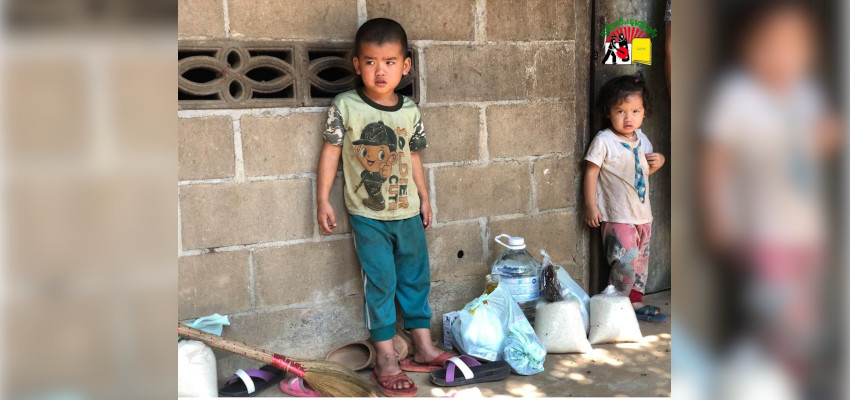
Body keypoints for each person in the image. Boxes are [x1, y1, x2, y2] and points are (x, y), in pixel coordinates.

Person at [315, 18, 450, 397]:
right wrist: (322, 198)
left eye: (390, 62)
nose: (380, 71)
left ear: (405, 66)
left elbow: (414, 156)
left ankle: (423, 347)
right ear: (357, 64)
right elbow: (330, 152)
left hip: (408, 213)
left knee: (416, 279)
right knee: (381, 283)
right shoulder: (346, 106)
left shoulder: (409, 110)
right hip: (369, 216)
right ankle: (386, 357)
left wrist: (424, 197)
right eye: (371, 62)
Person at [583, 75, 667, 322]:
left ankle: (635, 302)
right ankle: (616, 303)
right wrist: (590, 205)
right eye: (620, 111)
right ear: (608, 112)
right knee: (624, 261)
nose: (628, 117)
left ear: (644, 112)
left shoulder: (642, 139)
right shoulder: (604, 140)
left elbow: (641, 173)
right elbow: (591, 172)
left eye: (635, 111)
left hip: (643, 215)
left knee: (640, 262)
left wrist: (659, 162)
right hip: (618, 215)